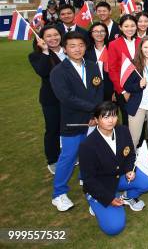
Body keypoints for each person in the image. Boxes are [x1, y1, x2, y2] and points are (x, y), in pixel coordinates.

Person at [79, 101, 148, 236]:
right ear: (96, 120)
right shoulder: (87, 145)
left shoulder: (122, 130)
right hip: (101, 187)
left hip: (120, 178)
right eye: (105, 117)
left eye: (114, 115)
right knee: (114, 227)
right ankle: (96, 203)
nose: (111, 120)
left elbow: (130, 154)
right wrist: (109, 199)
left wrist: (129, 170)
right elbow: (88, 180)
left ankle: (129, 196)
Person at [49, 31, 104, 211]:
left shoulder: (92, 65)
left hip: (93, 121)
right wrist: (92, 110)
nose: (77, 49)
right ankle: (59, 194)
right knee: (68, 157)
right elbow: (67, 98)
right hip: (73, 122)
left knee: (92, 155)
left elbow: (98, 89)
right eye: (72, 46)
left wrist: (95, 115)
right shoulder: (58, 71)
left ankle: (87, 180)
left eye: (80, 45)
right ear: (64, 49)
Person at [29, 25, 65, 174]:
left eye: (55, 35)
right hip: (52, 99)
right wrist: (44, 51)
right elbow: (43, 71)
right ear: (41, 39)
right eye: (48, 36)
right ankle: (53, 159)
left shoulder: (68, 51)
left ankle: (70, 154)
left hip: (70, 99)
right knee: (53, 129)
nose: (53, 38)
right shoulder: (37, 56)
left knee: (69, 128)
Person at [122, 36, 148, 158]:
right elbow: (126, 85)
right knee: (134, 136)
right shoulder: (133, 64)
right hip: (138, 105)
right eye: (145, 47)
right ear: (141, 48)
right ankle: (130, 159)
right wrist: (138, 86)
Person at [107, 15, 142, 125]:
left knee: (140, 118)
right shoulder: (113, 44)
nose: (130, 28)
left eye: (132, 25)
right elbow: (112, 69)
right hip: (123, 88)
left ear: (136, 27)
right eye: (126, 26)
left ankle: (140, 142)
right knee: (127, 118)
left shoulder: (141, 42)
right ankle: (128, 141)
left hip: (140, 86)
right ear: (120, 27)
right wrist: (123, 91)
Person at [85, 22, 114, 101]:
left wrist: (116, 90)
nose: (99, 33)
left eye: (102, 31)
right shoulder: (86, 51)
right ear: (91, 34)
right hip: (92, 87)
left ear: (106, 33)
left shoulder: (112, 48)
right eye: (96, 31)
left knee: (110, 111)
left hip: (110, 86)